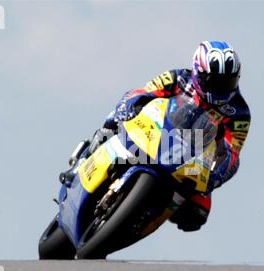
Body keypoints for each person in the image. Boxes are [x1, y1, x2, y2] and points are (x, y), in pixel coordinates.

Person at [85, 40, 251, 232]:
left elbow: (232, 152)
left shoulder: (239, 113)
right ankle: (90, 151)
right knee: (115, 120)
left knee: (195, 215)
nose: (219, 87)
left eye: (226, 82)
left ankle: (140, 219)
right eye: (213, 81)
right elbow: (144, 92)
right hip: (157, 131)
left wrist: (214, 178)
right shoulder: (177, 77)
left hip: (194, 160)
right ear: (197, 71)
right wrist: (128, 109)